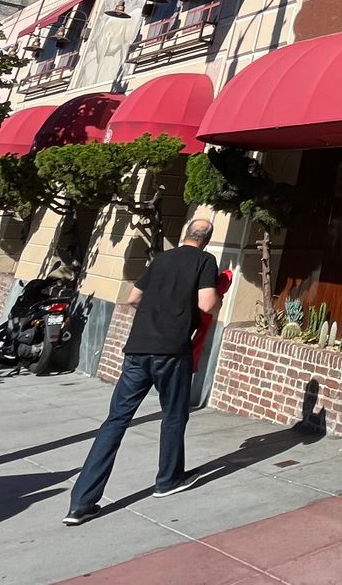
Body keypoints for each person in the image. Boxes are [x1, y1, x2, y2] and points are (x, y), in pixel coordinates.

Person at [64, 219, 220, 526]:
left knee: (116, 421)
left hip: (137, 348)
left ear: (184, 233)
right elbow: (206, 304)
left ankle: (81, 503)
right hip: (172, 352)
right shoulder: (205, 260)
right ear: (206, 240)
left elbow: (133, 297)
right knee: (174, 416)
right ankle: (168, 480)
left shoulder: (161, 258)